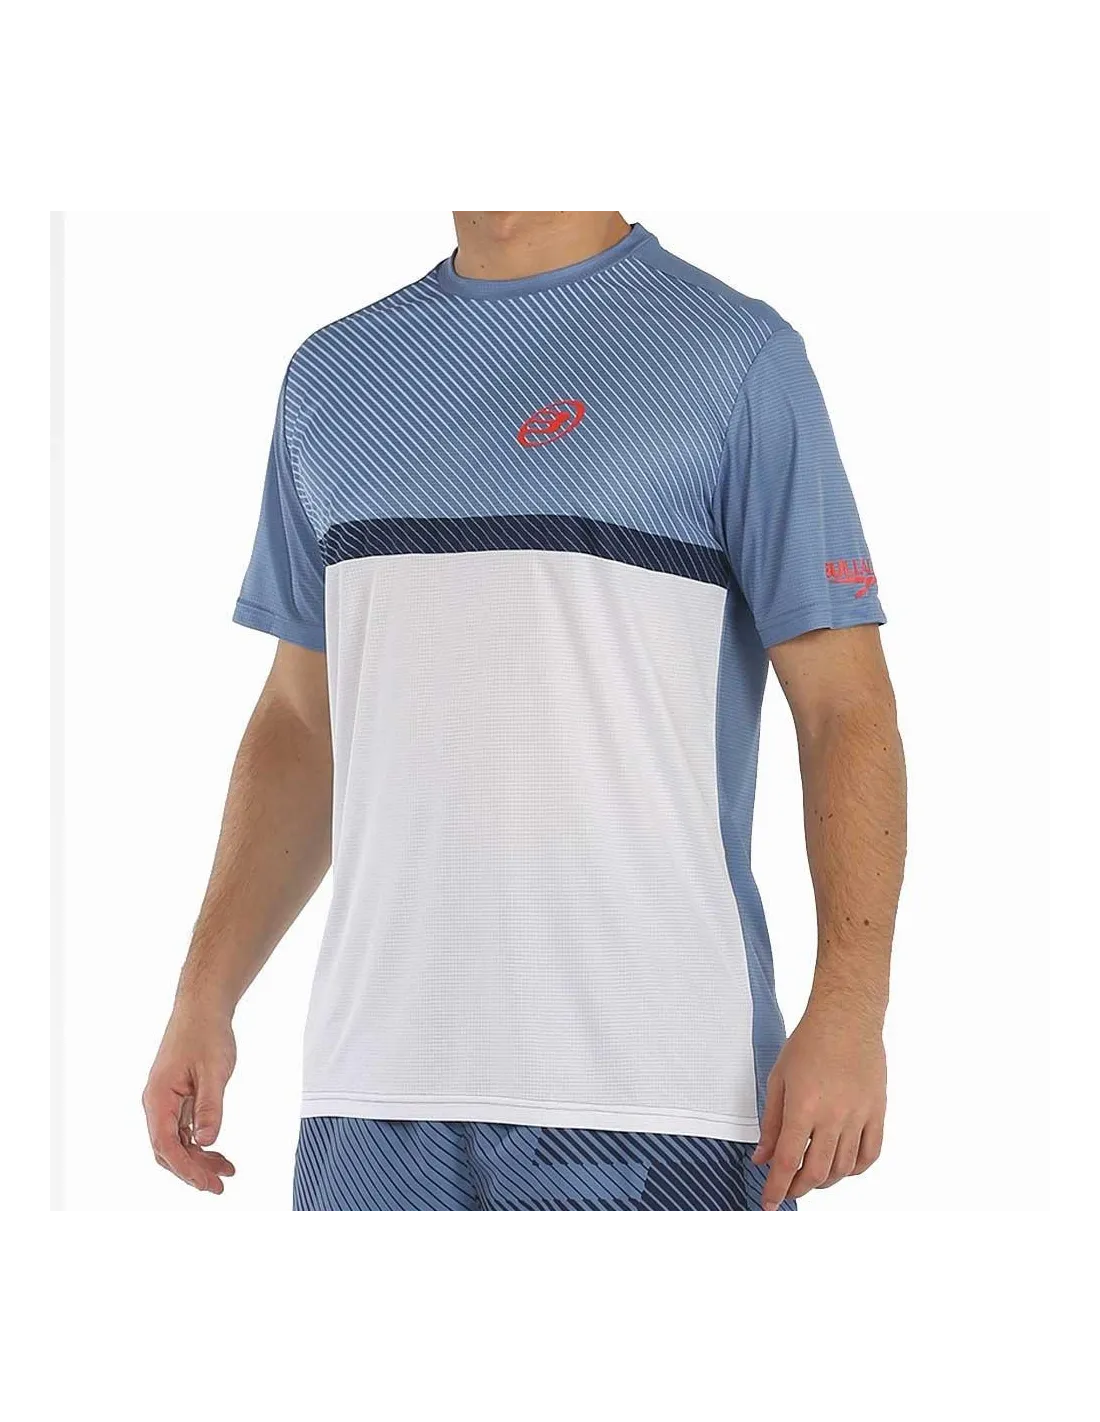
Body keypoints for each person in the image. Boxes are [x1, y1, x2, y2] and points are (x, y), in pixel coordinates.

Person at [143, 210, 906, 1215]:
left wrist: (848, 1012)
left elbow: (845, 708)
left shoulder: (734, 358)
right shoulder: (333, 378)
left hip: (659, 1091)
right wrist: (205, 993)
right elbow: (302, 723)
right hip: (372, 1095)